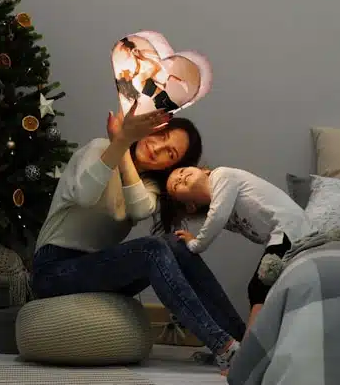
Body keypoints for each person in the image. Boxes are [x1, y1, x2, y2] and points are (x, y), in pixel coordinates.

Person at [31, 100, 247, 375]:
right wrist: (118, 144)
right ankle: (224, 347)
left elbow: (140, 208)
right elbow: (84, 196)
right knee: (151, 250)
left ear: (172, 166)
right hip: (53, 270)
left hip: (96, 269)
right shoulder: (100, 148)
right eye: (161, 136)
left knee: (174, 244)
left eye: (169, 153)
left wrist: (123, 142)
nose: (157, 148)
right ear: (151, 130)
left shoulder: (149, 187)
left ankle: (246, 341)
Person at [165, 165, 314, 335]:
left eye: (182, 171)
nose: (179, 177)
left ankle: (250, 347)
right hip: (284, 234)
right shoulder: (224, 210)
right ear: (190, 206)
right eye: (175, 185)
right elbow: (220, 216)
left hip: (289, 228)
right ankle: (260, 340)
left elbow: (217, 217)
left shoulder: (222, 175)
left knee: (259, 285)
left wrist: (195, 244)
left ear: (205, 170)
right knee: (264, 287)